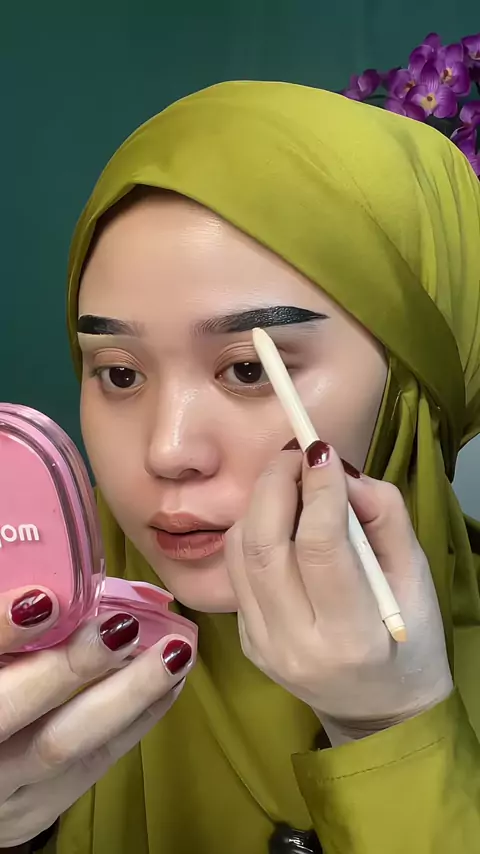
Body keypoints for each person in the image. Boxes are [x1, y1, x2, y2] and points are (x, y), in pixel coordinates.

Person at [1, 81, 480, 854]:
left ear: (415, 385)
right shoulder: (29, 645)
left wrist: (393, 733)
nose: (169, 450)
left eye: (250, 370)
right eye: (119, 373)